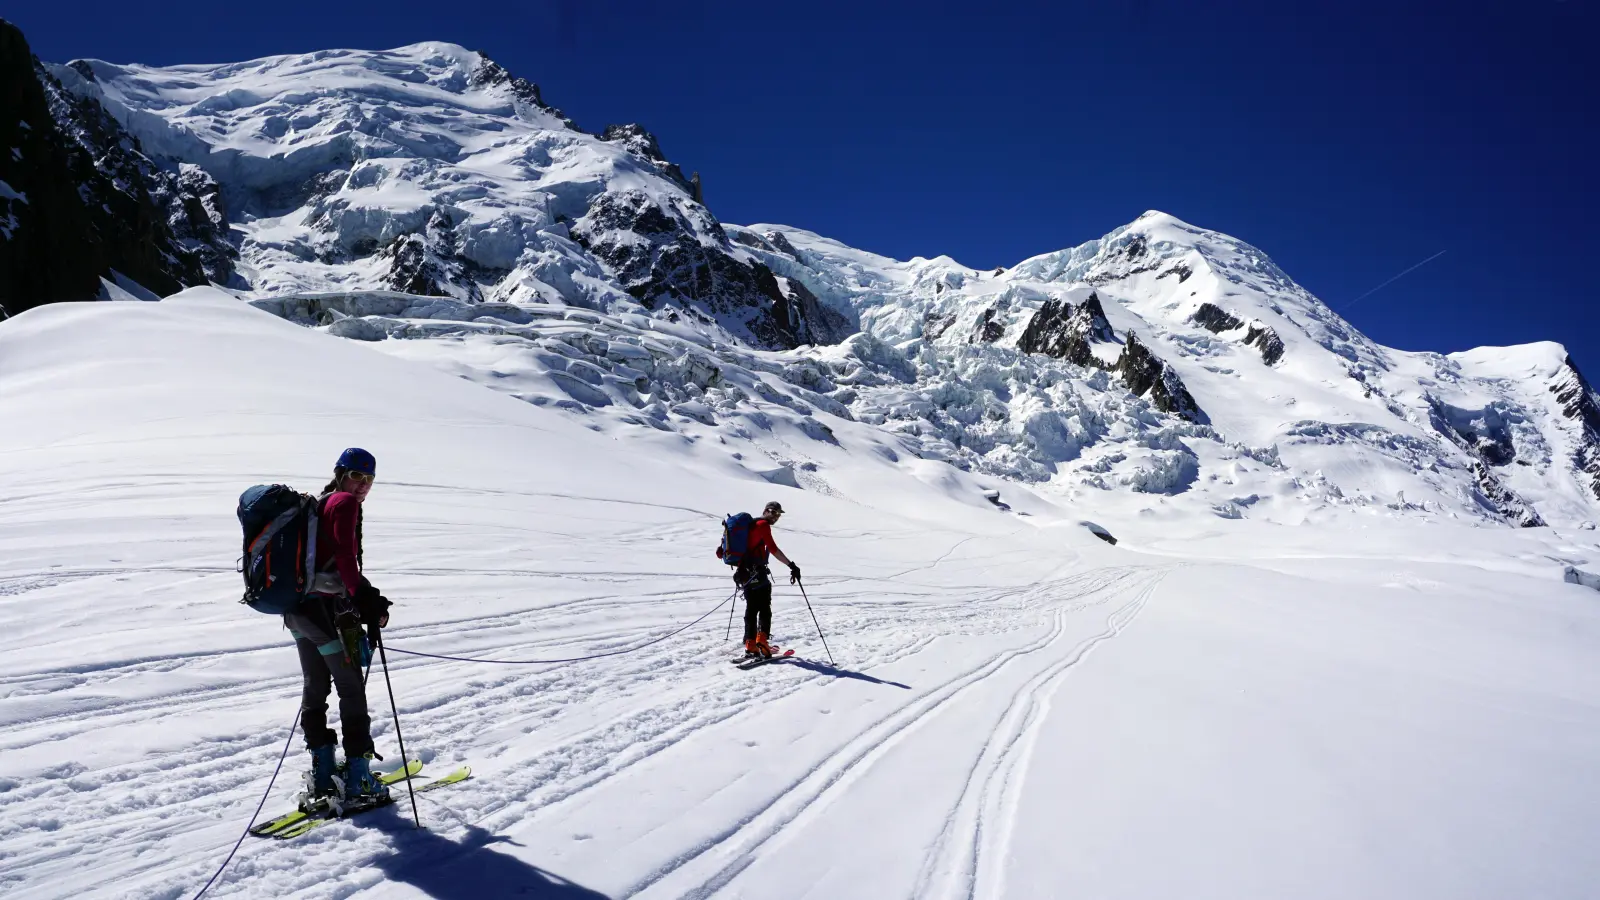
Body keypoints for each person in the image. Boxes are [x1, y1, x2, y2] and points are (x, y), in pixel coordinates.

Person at [283, 447, 393, 809]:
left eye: (369, 479)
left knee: (315, 686)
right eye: (357, 476)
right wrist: (367, 599)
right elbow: (345, 559)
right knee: (350, 688)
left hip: (297, 611)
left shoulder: (320, 503)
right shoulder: (344, 503)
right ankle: (359, 778)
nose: (363, 486)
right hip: (324, 613)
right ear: (341, 473)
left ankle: (324, 774)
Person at [736, 501, 800, 658]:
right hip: (757, 572)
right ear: (766, 511)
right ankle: (762, 643)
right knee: (764, 608)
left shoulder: (749, 525)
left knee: (751, 609)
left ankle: (750, 645)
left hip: (744, 573)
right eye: (774, 513)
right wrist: (791, 565)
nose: (776, 517)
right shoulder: (763, 525)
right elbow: (773, 549)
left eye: (778, 514)